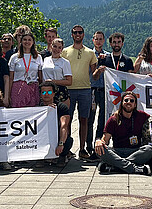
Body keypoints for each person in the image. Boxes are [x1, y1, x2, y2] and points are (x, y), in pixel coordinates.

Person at [90, 32, 135, 157]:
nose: (116, 44)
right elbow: (94, 77)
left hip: (124, 97)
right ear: (110, 43)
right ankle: (98, 148)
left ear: (122, 43)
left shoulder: (127, 60)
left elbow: (133, 78)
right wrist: (99, 70)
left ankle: (123, 147)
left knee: (124, 121)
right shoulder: (104, 58)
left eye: (119, 42)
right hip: (108, 95)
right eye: (114, 42)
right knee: (103, 120)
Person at [61, 25, 98, 161]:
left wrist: (100, 71)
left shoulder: (90, 53)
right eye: (75, 32)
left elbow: (94, 75)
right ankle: (68, 148)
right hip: (68, 89)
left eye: (80, 32)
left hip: (85, 89)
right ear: (71, 35)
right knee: (67, 120)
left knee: (84, 120)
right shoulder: (65, 52)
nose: (77, 34)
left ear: (83, 34)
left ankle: (82, 149)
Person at [94, 91, 152, 175]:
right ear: (122, 103)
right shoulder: (114, 119)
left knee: (148, 149)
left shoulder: (141, 116)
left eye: (132, 101)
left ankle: (115, 166)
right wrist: (99, 141)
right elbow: (105, 139)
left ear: (135, 104)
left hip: (135, 151)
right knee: (100, 149)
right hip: (117, 151)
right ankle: (133, 168)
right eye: (126, 100)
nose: (128, 102)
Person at [39, 80, 73, 167]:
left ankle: (62, 156)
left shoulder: (62, 107)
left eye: (49, 92)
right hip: (43, 137)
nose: (46, 94)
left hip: (57, 137)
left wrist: (61, 144)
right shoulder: (37, 108)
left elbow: (64, 126)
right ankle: (41, 158)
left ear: (54, 93)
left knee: (68, 140)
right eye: (43, 92)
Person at [8, 31, 43, 108]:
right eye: (25, 39)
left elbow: (41, 78)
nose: (27, 42)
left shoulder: (38, 57)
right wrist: (8, 94)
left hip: (33, 88)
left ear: (33, 42)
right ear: (21, 41)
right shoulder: (14, 57)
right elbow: (10, 78)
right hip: (18, 88)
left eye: (29, 40)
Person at [87, 31, 108, 157]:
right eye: (96, 39)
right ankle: (88, 146)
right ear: (93, 40)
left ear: (104, 40)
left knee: (102, 120)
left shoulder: (108, 56)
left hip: (105, 90)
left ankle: (99, 144)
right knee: (89, 119)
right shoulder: (89, 54)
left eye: (101, 39)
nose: (99, 41)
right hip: (92, 90)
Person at [41, 38, 72, 107]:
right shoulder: (45, 59)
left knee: (62, 115)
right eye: (55, 46)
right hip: (46, 92)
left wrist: (53, 81)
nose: (56, 49)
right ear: (51, 46)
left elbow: (69, 82)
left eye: (59, 47)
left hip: (60, 92)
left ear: (62, 49)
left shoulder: (65, 62)